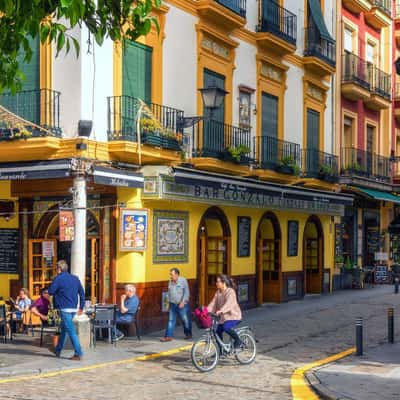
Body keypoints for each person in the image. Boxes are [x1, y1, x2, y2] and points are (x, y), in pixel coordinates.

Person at [48, 260, 85, 361]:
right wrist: (81, 306)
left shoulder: (58, 278)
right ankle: (58, 350)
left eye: (56, 269)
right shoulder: (75, 278)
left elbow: (50, 291)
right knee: (64, 329)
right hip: (73, 308)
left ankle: (78, 353)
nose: (56, 271)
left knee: (71, 331)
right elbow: (82, 293)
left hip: (64, 308)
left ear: (59, 269)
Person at [207, 274, 242, 349]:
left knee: (226, 327)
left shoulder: (230, 291)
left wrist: (221, 310)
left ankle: (238, 340)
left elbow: (229, 303)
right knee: (218, 332)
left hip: (233, 316)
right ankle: (220, 351)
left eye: (218, 282)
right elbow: (213, 304)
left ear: (224, 283)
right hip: (223, 318)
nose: (216, 283)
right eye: (216, 282)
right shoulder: (218, 292)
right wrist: (206, 311)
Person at [160, 268, 192, 342]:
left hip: (182, 304)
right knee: (171, 320)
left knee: (185, 320)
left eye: (172, 274)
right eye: (170, 274)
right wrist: (168, 304)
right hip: (172, 304)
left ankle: (188, 334)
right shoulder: (170, 282)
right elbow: (169, 293)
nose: (170, 276)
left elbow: (187, 292)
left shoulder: (183, 280)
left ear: (177, 275)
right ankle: (168, 336)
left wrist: (183, 302)